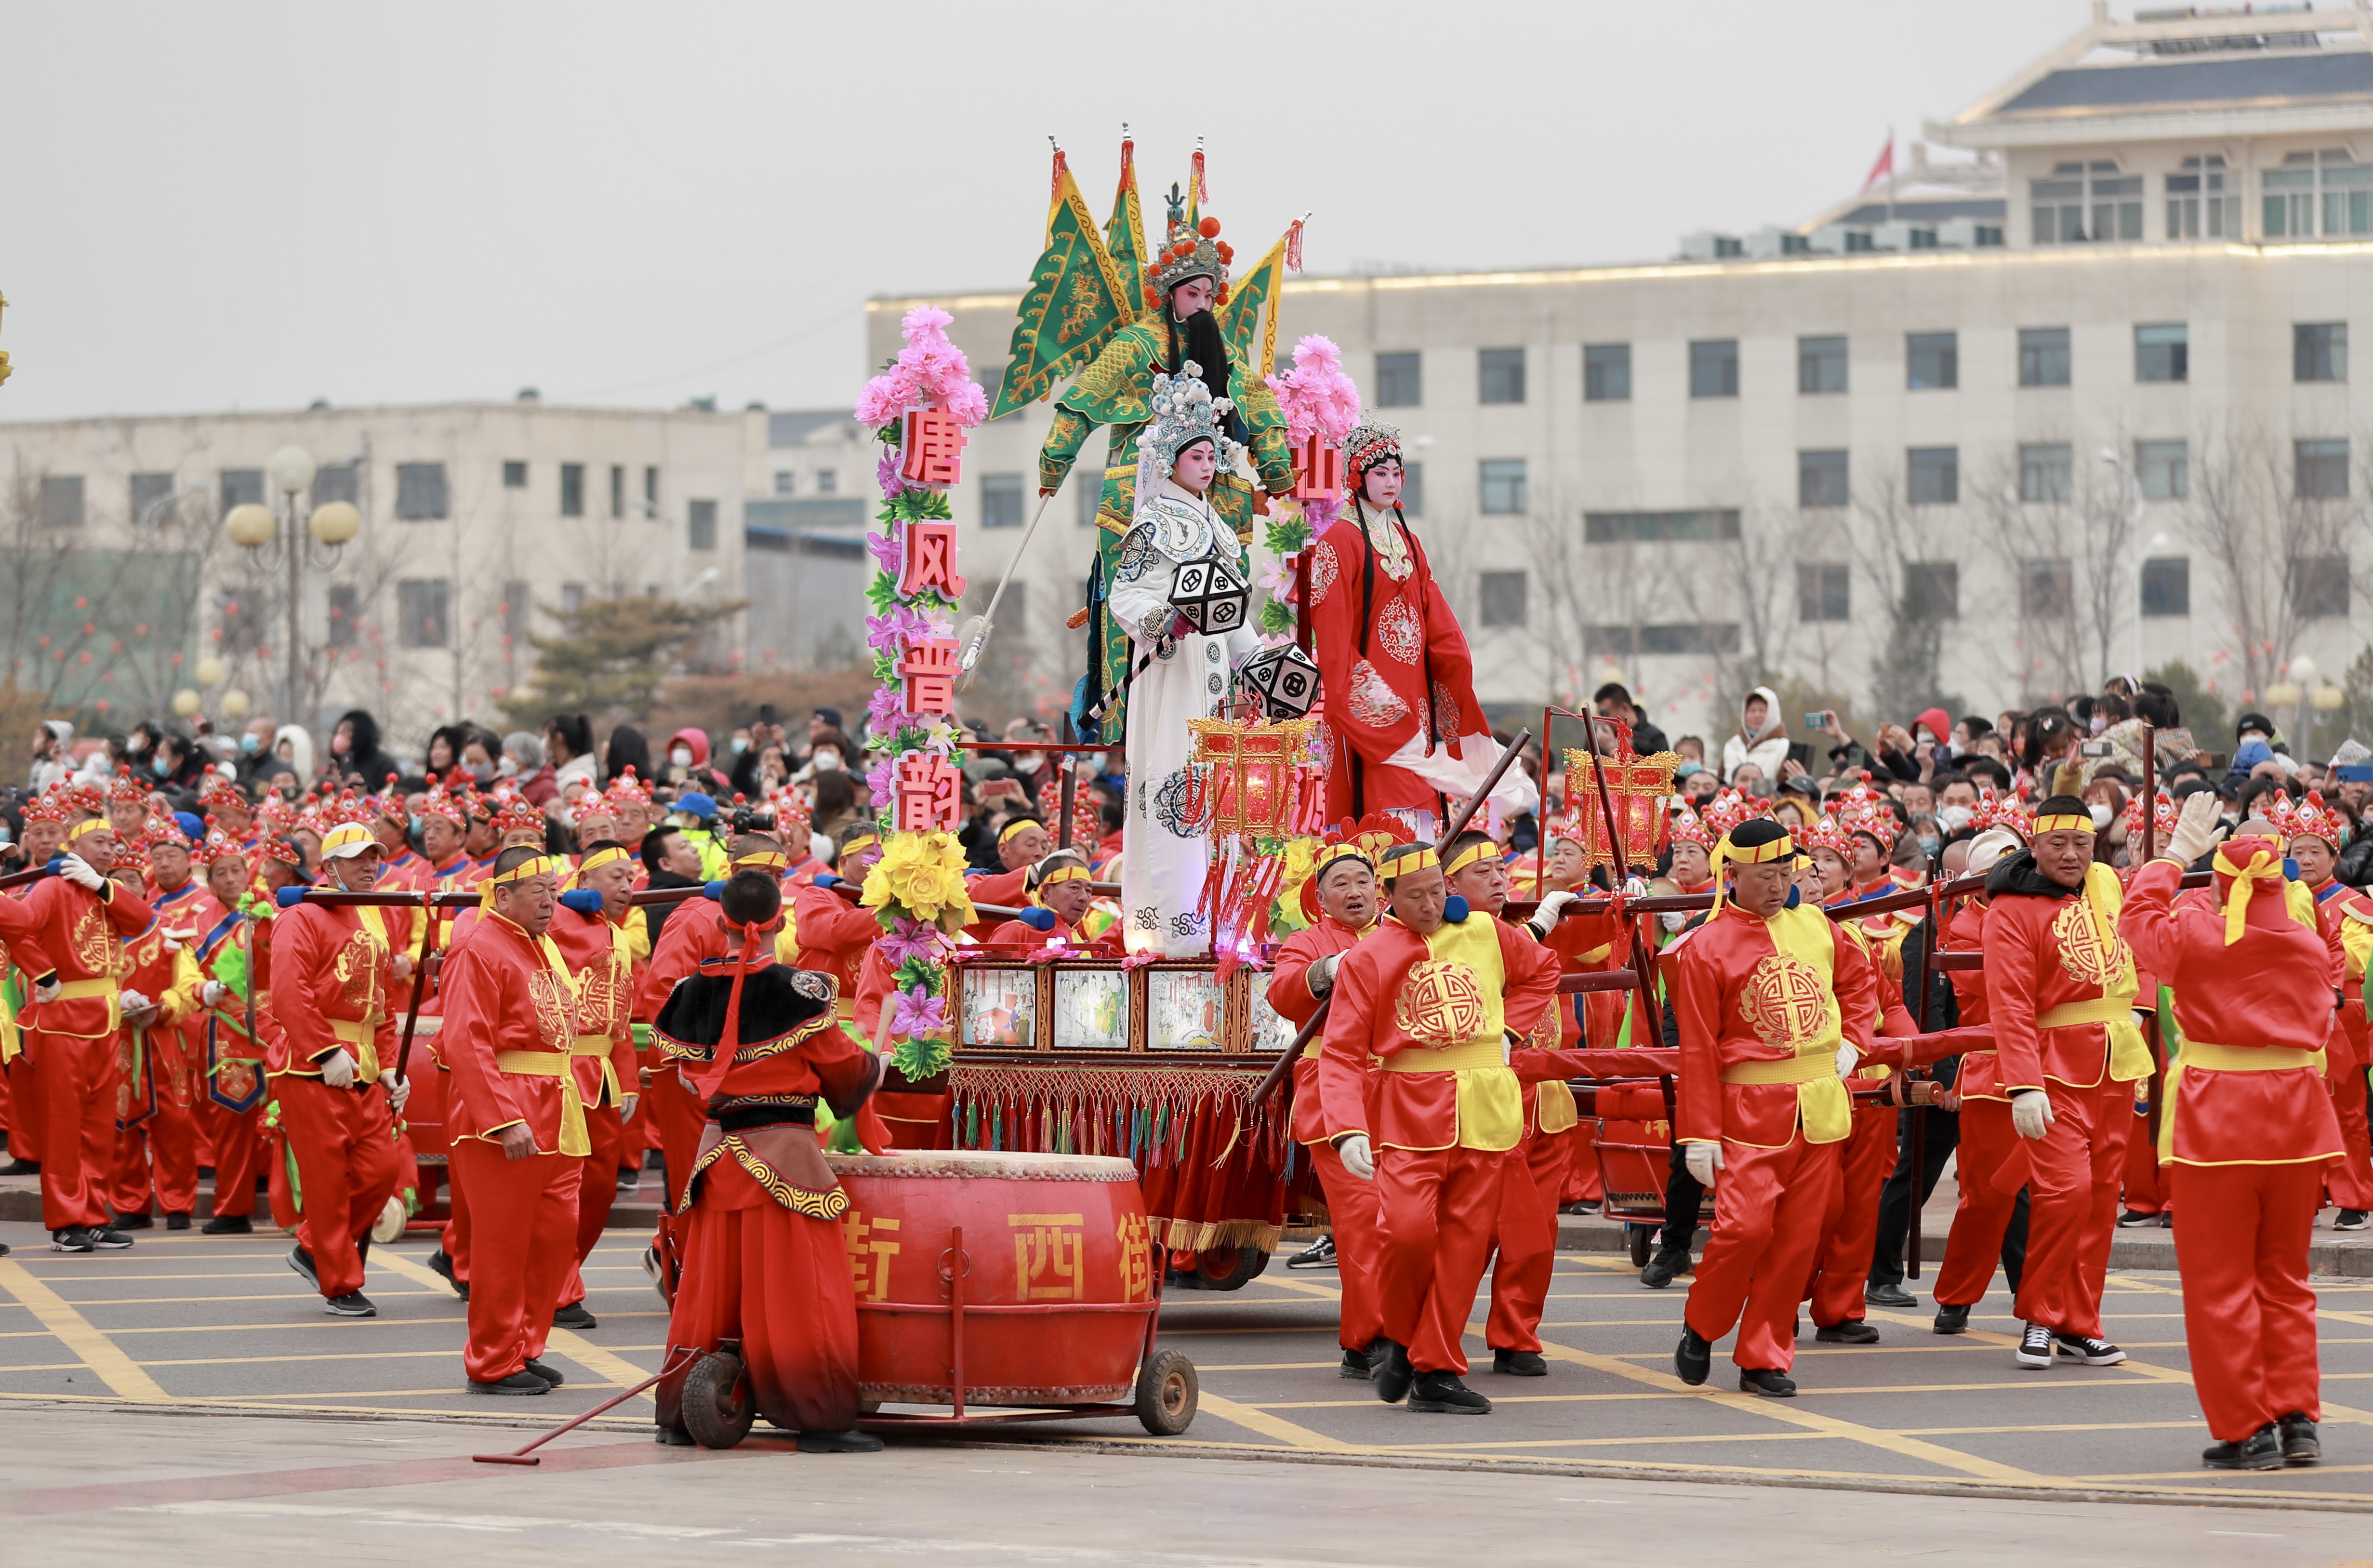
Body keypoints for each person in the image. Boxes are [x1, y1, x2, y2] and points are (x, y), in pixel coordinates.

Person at [2123, 792, 2343, 1469]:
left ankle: (2245, 1427)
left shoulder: (2199, 936)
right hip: (2299, 1122)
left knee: (2219, 1283)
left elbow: (2134, 921)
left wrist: (2169, 856)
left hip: (2219, 1120)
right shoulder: (2309, 943)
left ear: (2221, 882)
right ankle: (2297, 1417)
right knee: (2284, 1277)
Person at [1040, 193, 1293, 739]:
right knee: (1132, 597)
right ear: (1169, 293)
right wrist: (1058, 452)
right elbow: (1085, 397)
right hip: (1141, 499)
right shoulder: (1134, 345)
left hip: (1214, 506)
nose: (1200, 303)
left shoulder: (1223, 352)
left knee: (1223, 608)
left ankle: (1223, 717)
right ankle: (1126, 723)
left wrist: (1275, 460)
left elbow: (1259, 406)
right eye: (1190, 292)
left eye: (1207, 293)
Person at [1318, 840, 1559, 1414]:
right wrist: (1347, 1126)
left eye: (1437, 890)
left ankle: (1435, 1368)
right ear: (1389, 898)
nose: (1431, 904)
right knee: (1404, 1234)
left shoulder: (1487, 931)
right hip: (1408, 1116)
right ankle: (1402, 1337)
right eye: (1416, 895)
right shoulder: (1367, 957)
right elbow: (1341, 1052)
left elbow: (1542, 969)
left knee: (1462, 1248)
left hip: (1487, 1112)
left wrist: (1511, 1032)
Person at [650, 867, 884, 1450]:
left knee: (706, 1290)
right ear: (780, 920)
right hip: (784, 1154)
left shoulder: (687, 993)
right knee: (800, 1289)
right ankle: (818, 1416)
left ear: (721, 921)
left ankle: (683, 1412)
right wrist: (877, 1066)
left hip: (716, 1150)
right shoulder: (798, 990)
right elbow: (844, 1073)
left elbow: (686, 1078)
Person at [1670, 816, 1879, 1397]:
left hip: (1818, 1103)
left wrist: (1853, 1041)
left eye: (1786, 873)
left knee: (1795, 1241)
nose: (1777, 885)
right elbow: (1697, 1049)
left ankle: (1763, 1354)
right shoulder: (1705, 946)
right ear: (1731, 874)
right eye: (1765, 875)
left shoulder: (1814, 923)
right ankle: (1703, 1321)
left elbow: (1860, 983)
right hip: (1747, 1108)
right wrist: (1698, 1133)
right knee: (1742, 1229)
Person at [1984, 795, 2150, 1370]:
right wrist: (2022, 1083)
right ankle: (2038, 1314)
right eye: (2057, 843)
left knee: (2102, 1200)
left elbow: (2146, 947)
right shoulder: (2009, 909)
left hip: (2115, 1063)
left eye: (2081, 842)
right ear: (2033, 845)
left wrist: (2141, 1010)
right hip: (2053, 1068)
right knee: (2065, 1192)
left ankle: (2081, 1321)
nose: (2071, 854)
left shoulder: (2107, 885)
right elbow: (2007, 1002)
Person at [1104, 368, 1267, 957]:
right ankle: (1174, 932)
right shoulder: (1152, 520)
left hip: (1218, 675)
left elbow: (1233, 610)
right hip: (1174, 670)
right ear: (1168, 461)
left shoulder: (1218, 526)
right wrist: (1162, 620)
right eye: (1194, 455)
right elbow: (1125, 593)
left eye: (1210, 455)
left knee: (1221, 794)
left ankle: (1223, 925)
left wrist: (1260, 662)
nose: (1205, 464)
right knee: (1178, 785)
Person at [1303, 420, 1534, 835]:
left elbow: (1437, 619)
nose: (1391, 482)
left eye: (1397, 473)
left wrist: (1456, 668)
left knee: (1421, 810)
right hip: (1370, 700)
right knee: (1382, 810)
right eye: (1380, 473)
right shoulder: (1338, 541)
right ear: (1357, 476)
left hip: (1416, 700)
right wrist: (1371, 704)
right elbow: (1333, 638)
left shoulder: (1409, 542)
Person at [437, 846, 586, 1394]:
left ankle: (525, 1345)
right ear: (503, 895)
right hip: (507, 1105)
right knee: (502, 1243)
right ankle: (493, 1359)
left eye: (555, 889)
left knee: (551, 1236)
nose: (552, 900)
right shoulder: (478, 945)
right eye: (540, 891)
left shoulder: (539, 943)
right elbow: (465, 1039)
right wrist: (501, 1118)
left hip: (558, 1101)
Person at [267, 821, 411, 1316]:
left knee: (381, 1168)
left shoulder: (375, 916)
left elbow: (384, 1005)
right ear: (329, 867)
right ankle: (338, 1280)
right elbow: (289, 993)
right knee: (328, 1181)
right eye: (358, 859)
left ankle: (313, 1246)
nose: (372, 865)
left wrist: (391, 1065)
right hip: (315, 1065)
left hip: (366, 1066)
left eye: (375, 856)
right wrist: (324, 1051)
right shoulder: (301, 915)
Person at [1270, 830, 1386, 1371]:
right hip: (1334, 1093)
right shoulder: (1310, 939)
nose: (1354, 889)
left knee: (1405, 1219)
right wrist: (1327, 970)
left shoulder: (1401, 932)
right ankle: (1367, 1337)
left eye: (1363, 879)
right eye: (1340, 882)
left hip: (1402, 1092)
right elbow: (1283, 990)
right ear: (1320, 898)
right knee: (1363, 1220)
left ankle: (1397, 1329)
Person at [21, 819, 157, 1250]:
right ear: (72, 844)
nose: (108, 850)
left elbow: (143, 920)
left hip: (105, 1022)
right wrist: (43, 976)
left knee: (101, 1126)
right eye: (99, 842)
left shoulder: (105, 891)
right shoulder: (51, 887)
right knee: (64, 1126)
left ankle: (94, 1213)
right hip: (63, 1020)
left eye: (113, 844)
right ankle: (66, 1220)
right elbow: (18, 926)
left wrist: (103, 885)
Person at [546, 839, 641, 1329]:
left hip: (601, 1074)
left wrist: (626, 1079)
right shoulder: (556, 919)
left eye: (631, 878)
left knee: (600, 1189)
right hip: (560, 1071)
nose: (628, 886)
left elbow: (619, 1016)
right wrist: (559, 898)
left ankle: (559, 1276)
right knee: (563, 1187)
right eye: (617, 877)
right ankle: (560, 1289)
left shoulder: (616, 933)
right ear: (584, 882)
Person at [2277, 793, 2373, 1226]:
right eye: (2297, 852)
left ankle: (2354, 1195)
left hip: (2342, 1014)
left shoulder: (2353, 904)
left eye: (2316, 851)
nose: (2306, 859)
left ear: (2334, 854)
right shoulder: (2275, 900)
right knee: (2295, 1110)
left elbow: (2355, 960)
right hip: (2290, 1014)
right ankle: (2309, 1193)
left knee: (2347, 1111)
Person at [1722, 689, 1790, 784]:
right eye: (1752, 711)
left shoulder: (1784, 747)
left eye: (1763, 711)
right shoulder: (1732, 745)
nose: (1757, 715)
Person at [327, 710, 406, 791]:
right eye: (338, 733)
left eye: (347, 732)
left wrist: (366, 793)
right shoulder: (336, 766)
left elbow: (395, 794)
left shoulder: (383, 765)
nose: (339, 738)